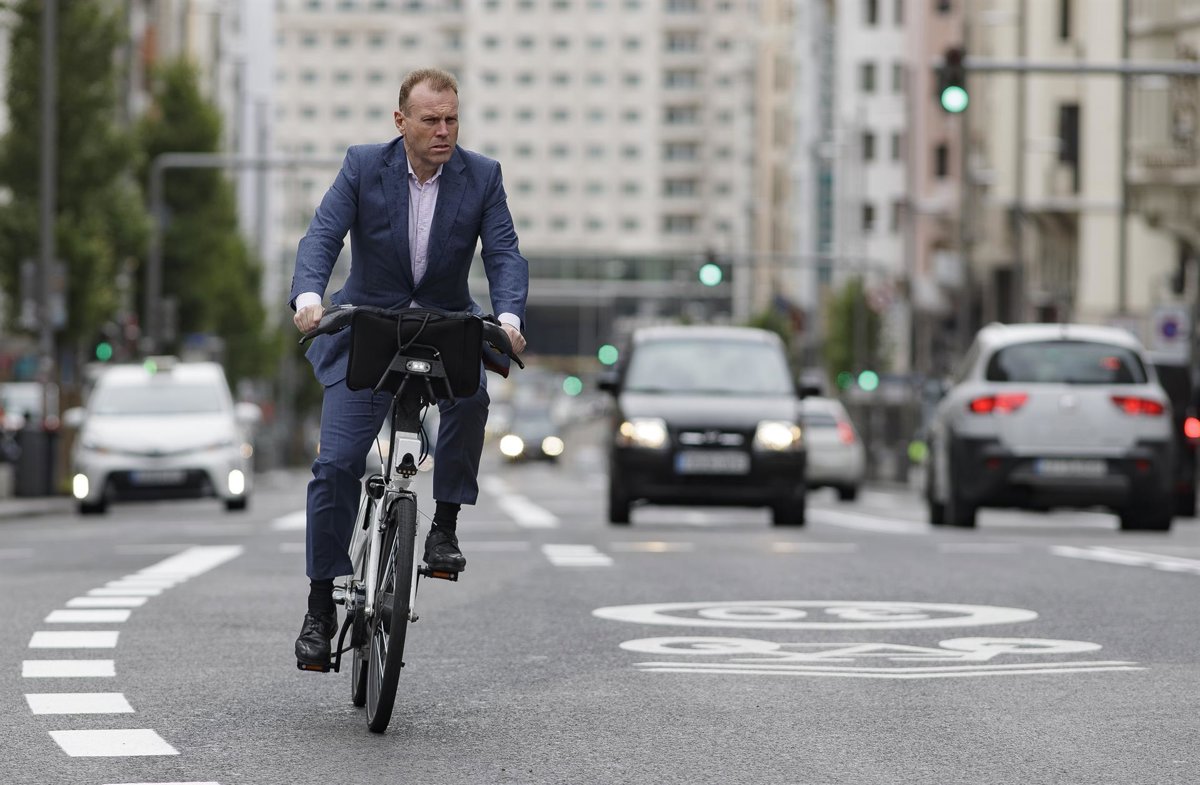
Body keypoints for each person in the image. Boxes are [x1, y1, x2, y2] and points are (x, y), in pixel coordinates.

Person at [289, 68, 529, 669]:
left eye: (452, 119)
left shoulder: (483, 176)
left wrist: (508, 316)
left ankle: (444, 526)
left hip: (446, 324)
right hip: (369, 328)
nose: (444, 130)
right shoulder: (363, 166)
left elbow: (504, 252)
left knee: (472, 397)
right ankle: (320, 607)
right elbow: (322, 235)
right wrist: (309, 298)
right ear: (401, 122)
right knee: (335, 465)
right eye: (431, 120)